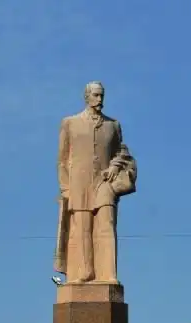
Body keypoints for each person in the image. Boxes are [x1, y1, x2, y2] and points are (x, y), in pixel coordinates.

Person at [55, 81, 137, 284]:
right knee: (82, 228)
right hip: (78, 184)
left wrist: (115, 166)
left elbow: (122, 152)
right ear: (87, 97)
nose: (100, 100)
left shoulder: (113, 125)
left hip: (104, 183)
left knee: (106, 225)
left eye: (102, 95)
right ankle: (86, 270)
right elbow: (62, 160)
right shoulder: (70, 123)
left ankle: (108, 274)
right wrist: (66, 187)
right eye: (96, 95)